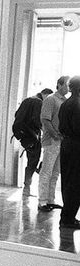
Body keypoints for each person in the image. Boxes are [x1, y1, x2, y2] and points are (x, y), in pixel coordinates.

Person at [12, 88, 53, 198]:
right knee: (33, 162)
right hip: (32, 136)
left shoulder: (27, 100)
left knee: (32, 161)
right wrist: (45, 130)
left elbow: (17, 114)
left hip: (24, 136)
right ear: (45, 94)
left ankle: (28, 186)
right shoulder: (38, 102)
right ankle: (27, 188)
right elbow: (37, 119)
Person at [38, 75, 70, 212]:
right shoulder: (51, 99)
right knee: (46, 171)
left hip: (61, 141)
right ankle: (42, 201)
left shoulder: (65, 101)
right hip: (52, 141)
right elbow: (45, 119)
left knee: (56, 172)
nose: (68, 88)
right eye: (67, 84)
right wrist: (55, 135)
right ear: (60, 84)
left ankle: (50, 200)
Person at [58, 75, 80, 229]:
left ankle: (67, 216)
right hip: (76, 146)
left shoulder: (66, 103)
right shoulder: (77, 104)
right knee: (75, 182)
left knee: (67, 181)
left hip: (66, 144)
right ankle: (68, 218)